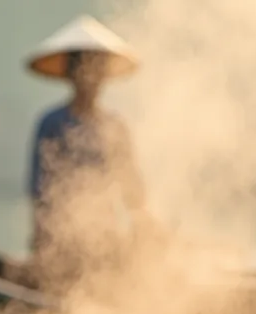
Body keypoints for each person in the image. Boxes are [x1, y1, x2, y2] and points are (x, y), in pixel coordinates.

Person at [23, 15, 156, 289]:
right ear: (71, 75)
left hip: (105, 238)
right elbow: (40, 192)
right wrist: (41, 245)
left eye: (98, 70)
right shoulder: (52, 124)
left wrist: (144, 230)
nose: (92, 79)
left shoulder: (115, 127)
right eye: (84, 69)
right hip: (60, 242)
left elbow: (132, 191)